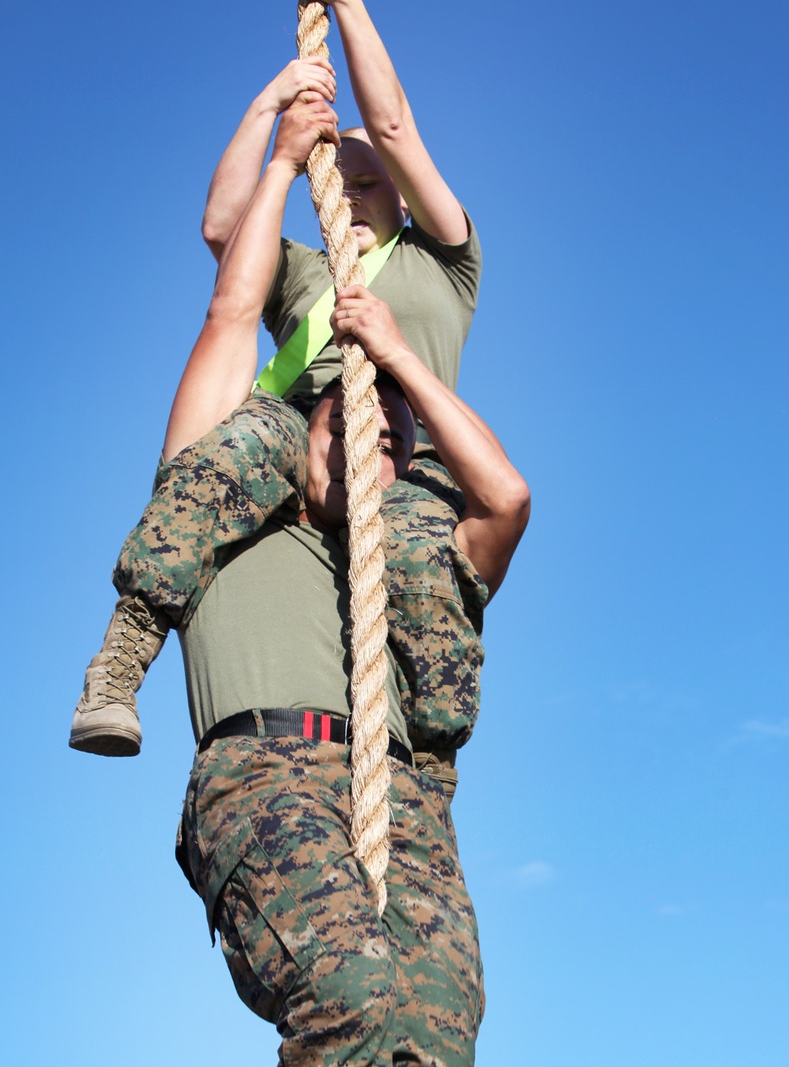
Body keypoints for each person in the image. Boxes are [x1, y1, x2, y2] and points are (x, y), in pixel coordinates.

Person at [110, 94, 527, 1067]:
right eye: (343, 412)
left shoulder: (402, 566)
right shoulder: (224, 484)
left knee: (437, 1034)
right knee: (349, 983)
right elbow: (235, 290)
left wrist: (400, 362)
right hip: (261, 777)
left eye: (387, 427)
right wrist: (287, 139)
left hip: (396, 794)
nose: (369, 440)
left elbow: (507, 501)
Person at [70, 0, 482, 757]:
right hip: (300, 429)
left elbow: (392, 128)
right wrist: (273, 116)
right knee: (223, 457)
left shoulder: (445, 260)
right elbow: (222, 230)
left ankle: (429, 758)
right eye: (341, 179)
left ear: (402, 194)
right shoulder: (305, 274)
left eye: (370, 182)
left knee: (428, 561)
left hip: (406, 450)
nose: (352, 193)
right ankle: (122, 659)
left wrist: (347, 6)